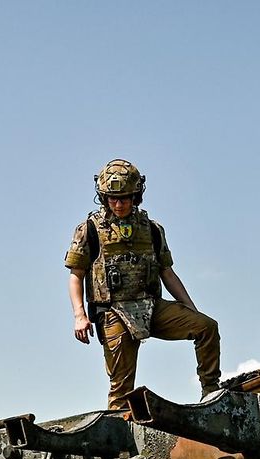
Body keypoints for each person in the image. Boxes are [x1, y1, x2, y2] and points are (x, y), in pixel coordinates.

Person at [65, 159, 221, 410]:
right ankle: (119, 440)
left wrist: (189, 306)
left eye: (124, 198)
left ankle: (211, 391)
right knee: (122, 388)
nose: (118, 204)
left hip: (151, 306)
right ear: (103, 198)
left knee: (206, 327)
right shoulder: (89, 230)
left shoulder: (152, 229)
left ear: (136, 196)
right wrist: (79, 316)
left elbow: (167, 273)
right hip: (113, 311)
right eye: (112, 198)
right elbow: (76, 275)